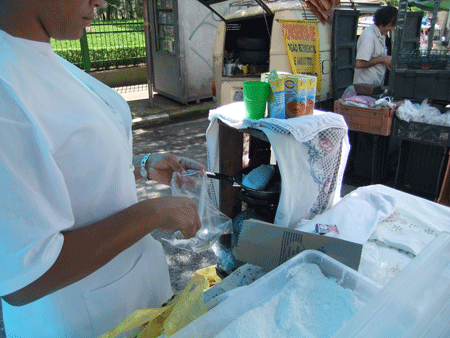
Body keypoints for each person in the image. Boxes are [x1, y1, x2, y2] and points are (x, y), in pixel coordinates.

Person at [0, 0, 204, 337]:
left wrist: (142, 166)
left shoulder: (39, 55)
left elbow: (66, 163)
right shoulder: (7, 88)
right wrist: (151, 214)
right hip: (83, 321)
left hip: (132, 299)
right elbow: (24, 276)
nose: (101, 2)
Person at [353, 5, 398, 87]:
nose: (392, 29)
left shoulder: (382, 35)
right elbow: (359, 64)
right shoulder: (369, 35)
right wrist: (382, 59)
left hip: (375, 85)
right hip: (364, 86)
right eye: (391, 25)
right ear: (383, 22)